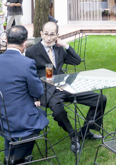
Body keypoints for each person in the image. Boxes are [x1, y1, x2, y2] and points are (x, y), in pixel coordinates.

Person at [26, 21, 105, 154]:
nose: (49, 38)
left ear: (57, 35)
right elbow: (29, 76)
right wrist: (35, 97)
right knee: (58, 111)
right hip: (47, 90)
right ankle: (73, 135)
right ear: (41, 34)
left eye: (52, 34)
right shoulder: (32, 51)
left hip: (65, 86)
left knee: (100, 99)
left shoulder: (59, 48)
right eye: (46, 34)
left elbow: (76, 61)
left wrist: (65, 45)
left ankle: (85, 131)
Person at [0, 25, 48, 165]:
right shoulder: (27, 63)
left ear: (6, 40)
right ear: (25, 43)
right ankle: (16, 157)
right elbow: (38, 92)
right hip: (19, 120)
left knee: (12, 113)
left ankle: (9, 153)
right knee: (41, 115)